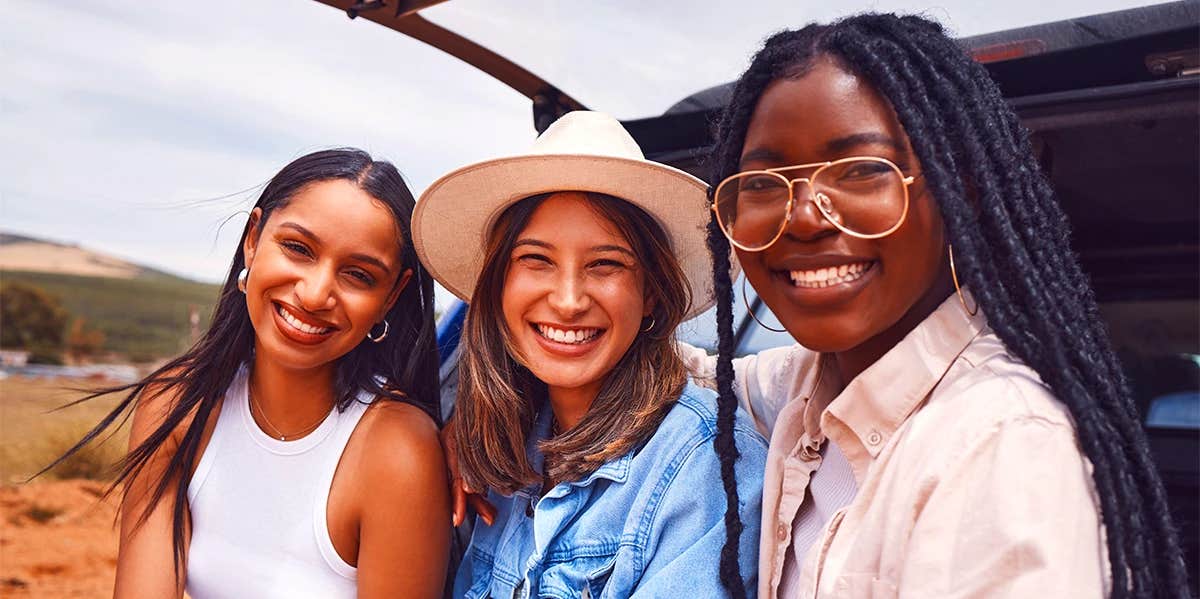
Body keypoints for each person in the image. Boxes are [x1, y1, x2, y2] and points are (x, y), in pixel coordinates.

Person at [685, 13, 1189, 599]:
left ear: (961, 196)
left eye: (862, 171)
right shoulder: (806, 393)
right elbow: (683, 370)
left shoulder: (1002, 446)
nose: (802, 216)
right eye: (763, 183)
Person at [54, 149, 451, 598]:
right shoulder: (178, 405)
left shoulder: (397, 450)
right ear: (253, 238)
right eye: (299, 249)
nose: (316, 293)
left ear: (392, 294)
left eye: (358, 275)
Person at [414, 111, 767, 598]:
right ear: (497, 286)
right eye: (536, 259)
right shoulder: (510, 443)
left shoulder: (706, 463)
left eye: (605, 264)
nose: (568, 299)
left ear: (651, 295)